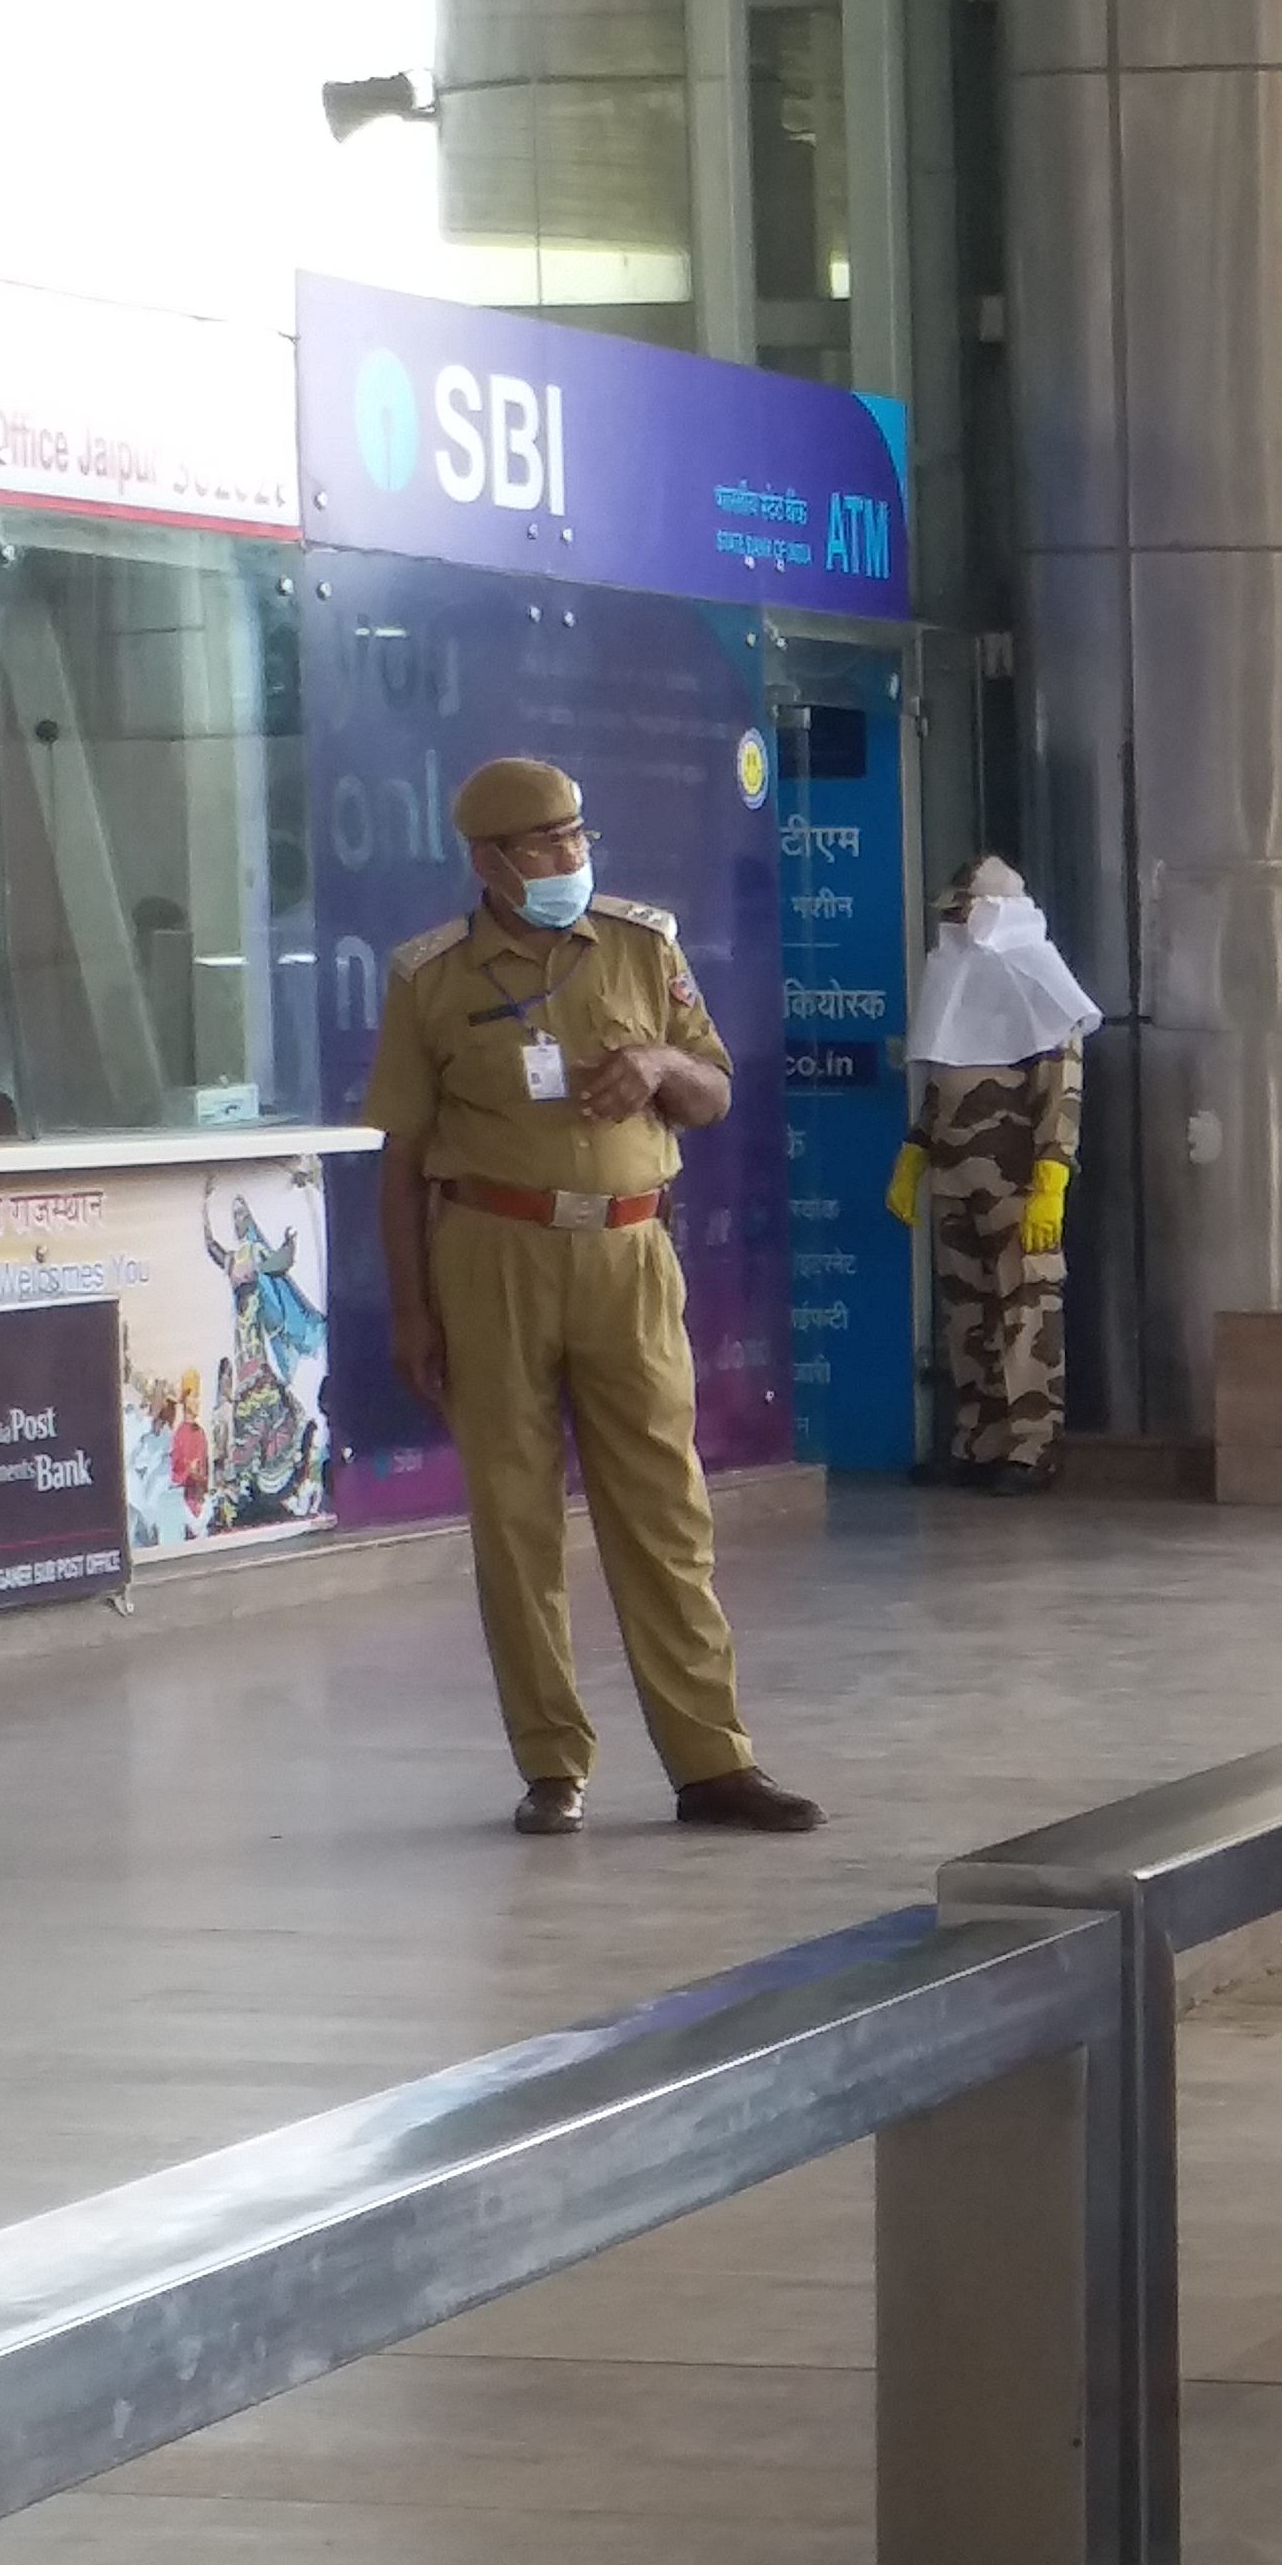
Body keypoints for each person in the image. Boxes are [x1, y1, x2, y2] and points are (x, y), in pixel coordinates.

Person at [365, 757, 823, 1840]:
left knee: (665, 1511)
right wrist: (413, 1312)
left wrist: (661, 1064)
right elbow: (401, 1160)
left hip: (626, 1257)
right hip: (491, 1253)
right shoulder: (429, 977)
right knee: (514, 1524)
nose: (574, 857)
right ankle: (552, 1766)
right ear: (488, 862)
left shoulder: (640, 945)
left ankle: (713, 1763)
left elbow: (713, 1094)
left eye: (580, 835)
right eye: (547, 844)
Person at [889, 856, 1096, 1492]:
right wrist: (915, 1153)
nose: (952, 923)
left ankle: (1032, 1448)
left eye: (962, 910)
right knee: (967, 1315)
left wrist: (1052, 1181)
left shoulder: (1041, 985)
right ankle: (977, 1443)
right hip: (955, 1177)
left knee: (1025, 1311)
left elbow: (1062, 1093)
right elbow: (946, 1076)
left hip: (1018, 1184)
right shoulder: (958, 980)